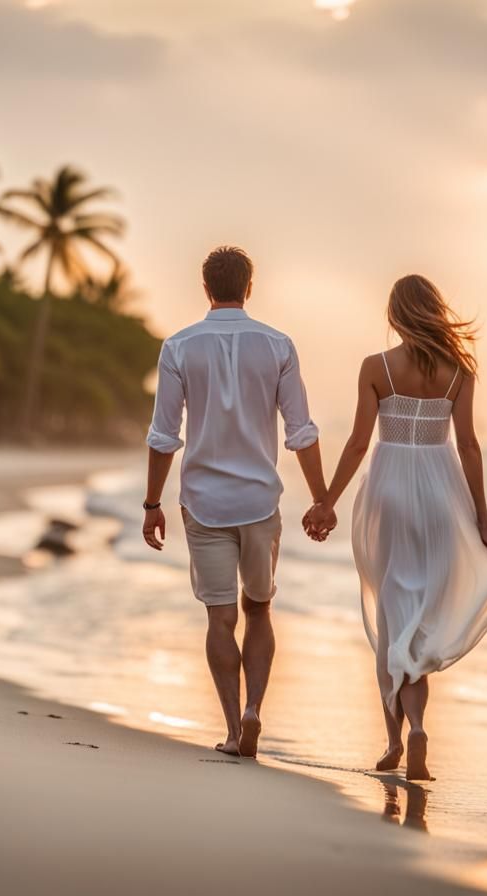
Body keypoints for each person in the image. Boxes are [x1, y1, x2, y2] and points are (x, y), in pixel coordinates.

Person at [304, 274, 487, 781]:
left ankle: (398, 738)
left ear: (395, 314)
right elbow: (468, 446)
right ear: (436, 311)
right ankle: (414, 728)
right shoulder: (459, 370)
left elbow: (357, 443)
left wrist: (326, 501)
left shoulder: (377, 367)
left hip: (390, 493)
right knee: (420, 620)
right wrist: (482, 516)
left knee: (393, 616)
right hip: (441, 497)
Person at [143, 246, 328, 758]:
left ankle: (231, 728)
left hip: (203, 502)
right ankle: (254, 711)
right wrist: (321, 499)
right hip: (259, 501)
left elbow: (163, 436)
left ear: (206, 289)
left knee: (220, 618)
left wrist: (151, 504)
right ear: (250, 287)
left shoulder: (179, 346)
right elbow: (301, 432)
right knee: (260, 610)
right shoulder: (278, 345)